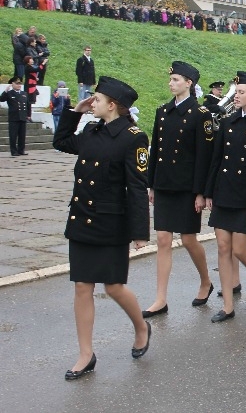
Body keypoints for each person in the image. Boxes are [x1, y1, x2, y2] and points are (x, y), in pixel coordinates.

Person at [52, 76, 152, 380]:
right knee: (82, 286)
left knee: (113, 287)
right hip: (82, 219)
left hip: (111, 223)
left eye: (96, 98)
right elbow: (61, 142)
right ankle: (86, 354)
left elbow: (137, 188)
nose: (92, 101)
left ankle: (140, 326)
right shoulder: (92, 130)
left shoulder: (133, 137)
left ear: (113, 105)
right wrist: (75, 113)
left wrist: (139, 233)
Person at [142, 62, 217, 318]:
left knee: (187, 239)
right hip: (164, 184)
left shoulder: (200, 113)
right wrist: (151, 183)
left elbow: (203, 156)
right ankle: (160, 298)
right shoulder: (162, 111)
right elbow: (156, 151)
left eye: (176, 79)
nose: (171, 83)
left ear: (189, 83)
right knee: (163, 239)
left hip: (186, 187)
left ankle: (206, 280)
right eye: (170, 79)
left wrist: (200, 192)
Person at [204, 71, 246, 323]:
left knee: (241, 249)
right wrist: (209, 191)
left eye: (241, 92)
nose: (236, 96)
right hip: (224, 191)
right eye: (235, 92)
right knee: (223, 247)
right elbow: (216, 159)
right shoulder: (228, 121)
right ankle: (228, 306)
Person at [1, 77, 28, 156]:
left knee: (22, 136)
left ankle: (21, 150)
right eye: (17, 83)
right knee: (13, 135)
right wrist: (5, 91)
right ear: (12, 84)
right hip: (14, 117)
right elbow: (1, 99)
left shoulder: (24, 93)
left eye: (20, 83)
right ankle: (14, 151)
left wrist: (28, 115)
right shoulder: (9, 93)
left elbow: (28, 104)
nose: (19, 85)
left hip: (22, 117)